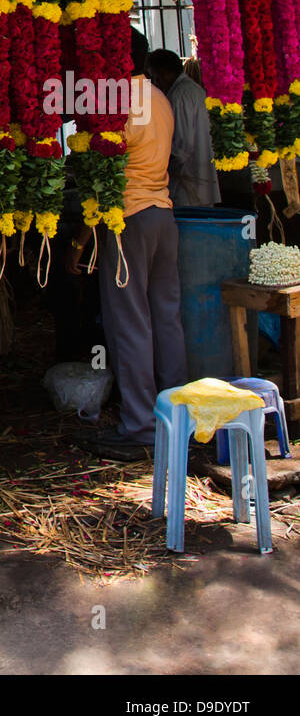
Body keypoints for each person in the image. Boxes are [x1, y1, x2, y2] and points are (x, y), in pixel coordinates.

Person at [67, 29, 188, 461]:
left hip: (128, 221)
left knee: (130, 323)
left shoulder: (117, 102)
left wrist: (80, 242)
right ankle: (178, 417)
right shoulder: (159, 97)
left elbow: (104, 183)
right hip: (163, 215)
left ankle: (140, 426)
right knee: (166, 320)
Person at [147, 48, 220, 208]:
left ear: (164, 73)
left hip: (189, 182)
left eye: (154, 77)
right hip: (197, 180)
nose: (155, 82)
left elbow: (181, 146)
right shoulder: (191, 90)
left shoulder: (180, 95)